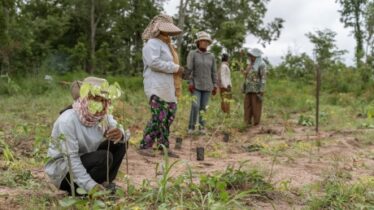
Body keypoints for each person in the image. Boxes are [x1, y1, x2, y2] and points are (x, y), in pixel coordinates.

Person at [45, 77, 129, 195]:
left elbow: (123, 132)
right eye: (94, 99)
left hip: (86, 160)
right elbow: (71, 160)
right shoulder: (68, 121)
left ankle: (105, 182)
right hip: (64, 172)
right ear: (84, 98)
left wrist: (120, 133)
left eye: (103, 100)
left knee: (121, 142)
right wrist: (91, 186)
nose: (99, 104)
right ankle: (83, 191)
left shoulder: (102, 116)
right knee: (104, 157)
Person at [138, 14, 184, 158]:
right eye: (166, 30)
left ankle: (163, 146)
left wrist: (175, 68)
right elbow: (154, 63)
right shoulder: (151, 44)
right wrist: (176, 68)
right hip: (156, 86)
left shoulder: (167, 45)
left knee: (169, 116)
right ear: (158, 29)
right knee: (159, 117)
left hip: (167, 87)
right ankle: (145, 145)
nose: (169, 33)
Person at [187, 31, 217, 134]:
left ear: (208, 43)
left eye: (206, 41)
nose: (204, 43)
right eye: (202, 41)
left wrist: (215, 85)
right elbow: (189, 70)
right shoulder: (193, 54)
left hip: (208, 86)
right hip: (196, 85)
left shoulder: (211, 56)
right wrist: (190, 82)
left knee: (203, 107)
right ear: (198, 42)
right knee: (195, 106)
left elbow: (213, 71)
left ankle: (201, 127)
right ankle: (191, 127)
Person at [242, 48, 266, 126]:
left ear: (256, 56)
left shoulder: (261, 64)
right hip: (248, 89)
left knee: (256, 106)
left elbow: (263, 77)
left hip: (256, 89)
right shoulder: (250, 64)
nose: (250, 57)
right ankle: (247, 122)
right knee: (247, 105)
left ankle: (256, 123)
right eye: (250, 55)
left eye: (252, 56)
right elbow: (247, 76)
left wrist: (262, 89)